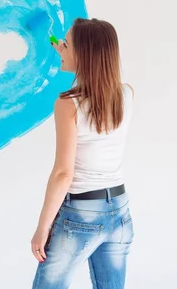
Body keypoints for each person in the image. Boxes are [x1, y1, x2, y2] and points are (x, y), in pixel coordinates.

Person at [30, 18, 135, 288]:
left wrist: (43, 228)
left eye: (67, 44)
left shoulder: (68, 104)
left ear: (84, 54)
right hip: (119, 211)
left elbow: (64, 173)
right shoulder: (125, 95)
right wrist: (64, 48)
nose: (61, 47)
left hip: (82, 214)